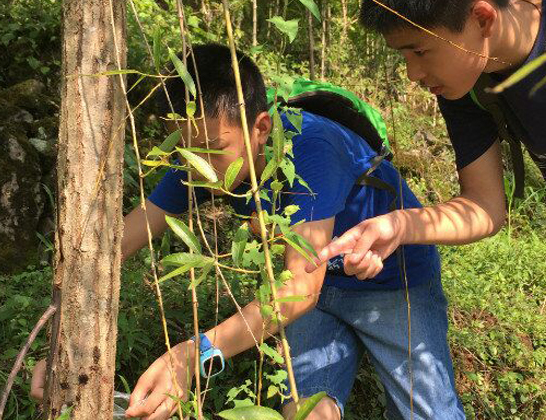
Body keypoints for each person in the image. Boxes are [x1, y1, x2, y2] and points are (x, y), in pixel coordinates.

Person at [31, 43, 465, 420]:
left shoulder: (312, 148)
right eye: (187, 150)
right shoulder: (201, 160)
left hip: (392, 283)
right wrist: (61, 342)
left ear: (260, 128)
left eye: (213, 150)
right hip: (314, 289)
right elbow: (120, 242)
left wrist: (194, 355)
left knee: (428, 411)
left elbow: (299, 288)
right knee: (308, 407)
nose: (199, 166)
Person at [309, 0, 546, 418]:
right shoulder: (470, 81)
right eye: (403, 55)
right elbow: (484, 206)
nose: (412, 73)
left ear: (482, 17)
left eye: (420, 51)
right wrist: (401, 224)